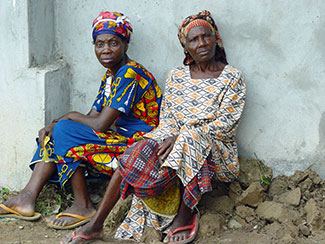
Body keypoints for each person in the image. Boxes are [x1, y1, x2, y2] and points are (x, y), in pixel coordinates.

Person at [0, 11, 162, 232]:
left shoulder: (130, 73)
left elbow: (99, 125)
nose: (105, 49)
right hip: (119, 140)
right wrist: (57, 125)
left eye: (113, 43)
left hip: (138, 147)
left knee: (64, 129)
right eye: (99, 43)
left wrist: (65, 118)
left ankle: (83, 205)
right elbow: (91, 117)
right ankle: (26, 198)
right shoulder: (111, 76)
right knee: (56, 132)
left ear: (126, 44)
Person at [113, 10, 247, 244]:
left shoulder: (232, 77)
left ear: (216, 39)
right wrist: (157, 141)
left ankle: (185, 216)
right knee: (141, 148)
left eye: (206, 36)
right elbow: (168, 122)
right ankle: (94, 224)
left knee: (191, 138)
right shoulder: (176, 75)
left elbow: (225, 125)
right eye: (194, 39)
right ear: (186, 48)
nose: (202, 43)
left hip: (217, 153)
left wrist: (183, 135)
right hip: (175, 145)